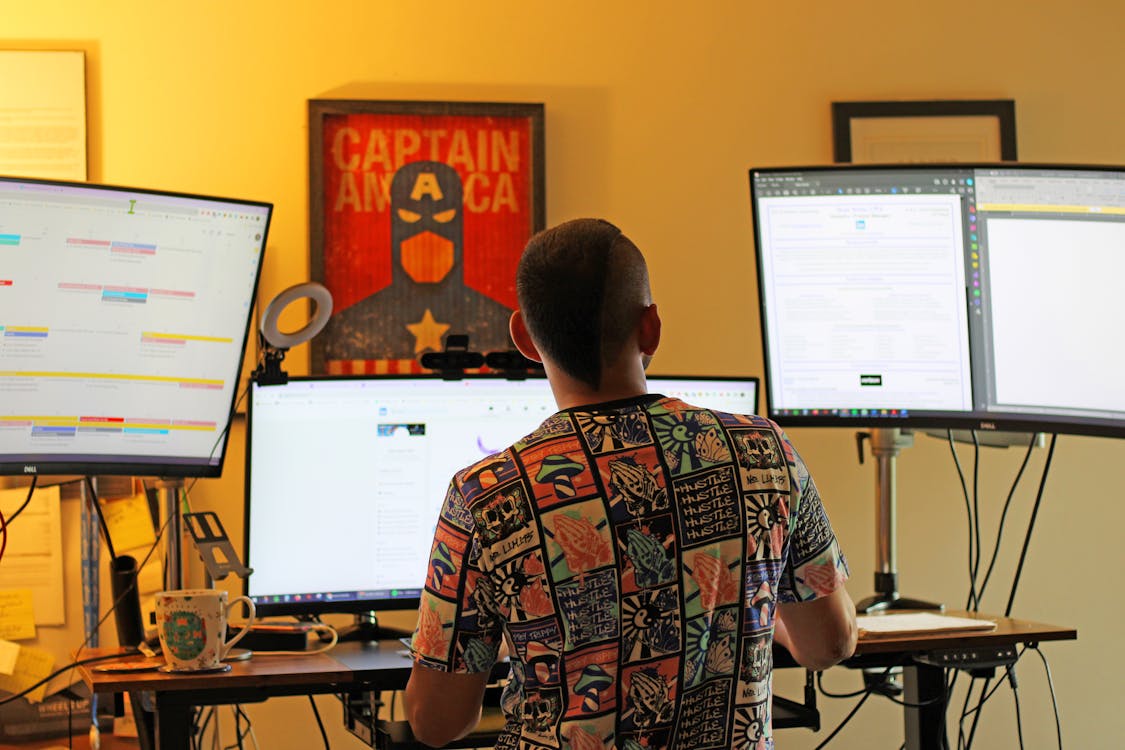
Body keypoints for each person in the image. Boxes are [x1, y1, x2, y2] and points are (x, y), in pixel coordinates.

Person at [406, 218, 857, 749]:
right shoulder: (765, 452)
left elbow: (436, 723)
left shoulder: (487, 494)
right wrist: (748, 612)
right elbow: (829, 645)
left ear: (525, 338)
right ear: (651, 328)